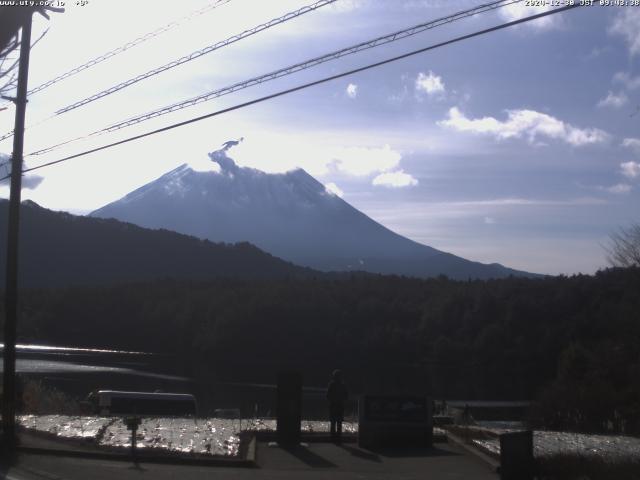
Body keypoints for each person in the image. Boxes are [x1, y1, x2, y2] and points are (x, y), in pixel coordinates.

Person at [326, 369, 348, 442]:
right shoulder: (343, 385)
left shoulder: (331, 384)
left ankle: (333, 439)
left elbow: (328, 396)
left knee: (333, 422)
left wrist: (332, 400)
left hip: (333, 405)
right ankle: (338, 439)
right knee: (339, 423)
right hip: (340, 406)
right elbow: (346, 396)